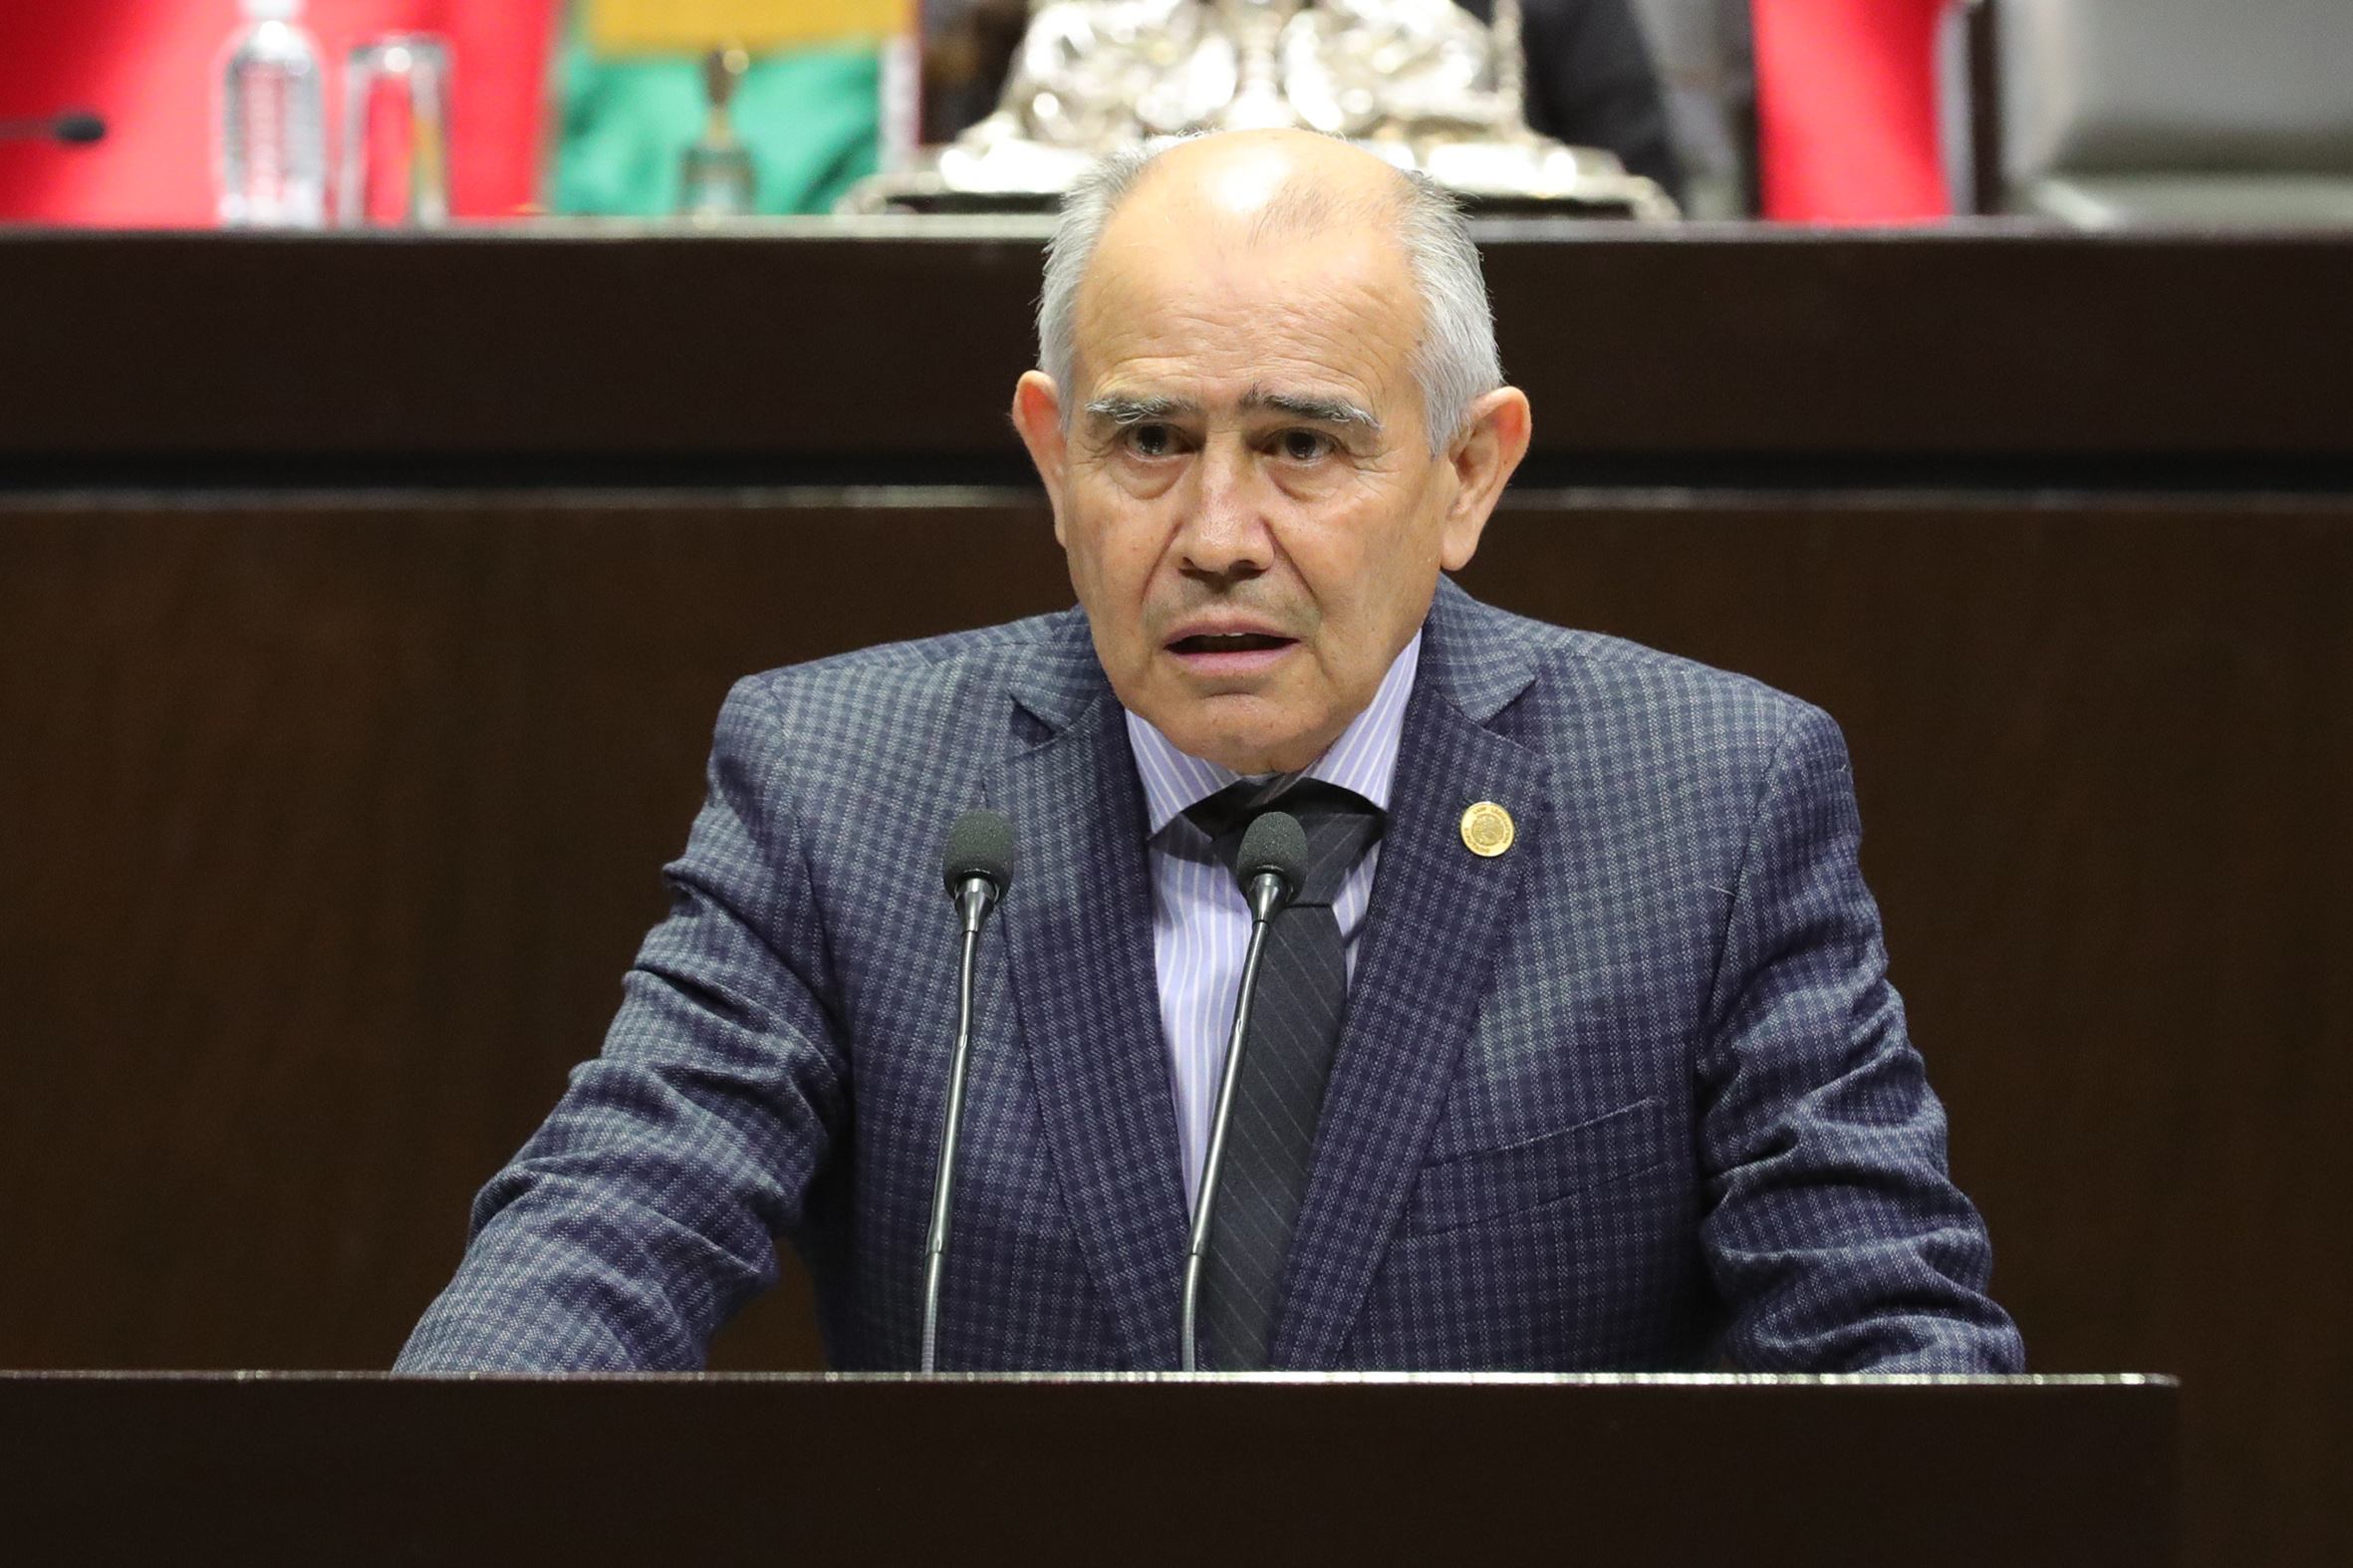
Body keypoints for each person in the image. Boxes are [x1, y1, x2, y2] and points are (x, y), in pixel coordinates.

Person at [397, 130, 2021, 1375]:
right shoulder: (845, 786)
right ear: (1053, 458)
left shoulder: (1707, 801)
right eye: (1150, 442)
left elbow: (1886, 1339)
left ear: (1467, 472)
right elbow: (607, 1228)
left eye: (1302, 444)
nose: (1218, 533)